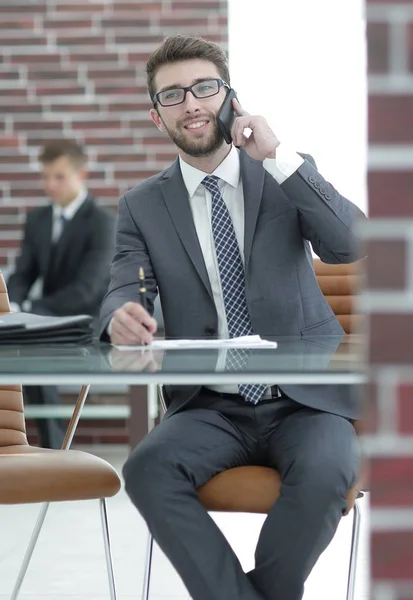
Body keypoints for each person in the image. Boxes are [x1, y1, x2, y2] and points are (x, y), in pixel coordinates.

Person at [100, 35, 367, 600]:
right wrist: (121, 314)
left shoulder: (283, 176)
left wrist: (276, 155)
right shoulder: (142, 206)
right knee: (147, 469)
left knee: (325, 473)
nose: (191, 103)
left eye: (204, 87)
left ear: (230, 98)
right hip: (210, 407)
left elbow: (350, 244)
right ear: (156, 116)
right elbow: (126, 282)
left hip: (307, 400)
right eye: (173, 95)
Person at [8, 139, 116, 449]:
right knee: (21, 341)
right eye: (45, 176)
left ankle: (54, 447)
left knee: (31, 346)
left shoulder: (102, 223)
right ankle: (45, 445)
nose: (50, 185)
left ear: (81, 174)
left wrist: (28, 309)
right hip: (43, 320)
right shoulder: (38, 220)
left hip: (86, 323)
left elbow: (87, 290)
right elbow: (23, 273)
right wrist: (11, 303)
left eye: (59, 177)